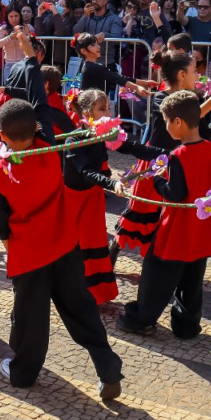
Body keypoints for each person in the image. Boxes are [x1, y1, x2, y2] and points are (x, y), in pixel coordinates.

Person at [0, 99, 123, 397]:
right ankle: (108, 367)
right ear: (36, 129)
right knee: (82, 310)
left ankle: (23, 373)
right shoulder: (50, 150)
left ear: (2, 135)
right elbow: (42, 113)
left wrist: (13, 248)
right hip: (65, 245)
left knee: (29, 319)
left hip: (30, 255)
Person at [115, 90, 211, 338]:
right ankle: (187, 326)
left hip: (177, 228)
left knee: (157, 275)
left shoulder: (178, 155)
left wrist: (159, 181)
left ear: (178, 123)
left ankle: (142, 319)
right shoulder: (208, 147)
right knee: (192, 281)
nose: (165, 127)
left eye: (165, 121)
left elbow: (175, 194)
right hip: (201, 226)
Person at [113, 50, 211, 259]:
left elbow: (202, 130)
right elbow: (182, 115)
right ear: (182, 75)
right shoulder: (161, 97)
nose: (198, 76)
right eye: (194, 71)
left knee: (166, 217)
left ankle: (159, 262)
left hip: (177, 164)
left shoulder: (193, 99)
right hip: (155, 164)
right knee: (138, 213)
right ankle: (113, 253)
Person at [63, 89, 157, 304]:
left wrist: (169, 154)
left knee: (95, 240)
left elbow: (133, 147)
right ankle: (73, 293)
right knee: (77, 245)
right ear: (87, 114)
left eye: (109, 108)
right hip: (73, 202)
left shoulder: (103, 135)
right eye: (102, 109)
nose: (108, 112)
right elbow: (86, 171)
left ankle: (95, 293)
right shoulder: (73, 140)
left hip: (92, 198)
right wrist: (112, 183)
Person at [72, 33, 152, 96]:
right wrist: (137, 87)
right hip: (92, 108)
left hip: (95, 105)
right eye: (93, 45)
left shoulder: (92, 66)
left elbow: (118, 76)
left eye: (97, 44)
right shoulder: (91, 67)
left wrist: (145, 83)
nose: (98, 47)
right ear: (83, 51)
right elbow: (116, 78)